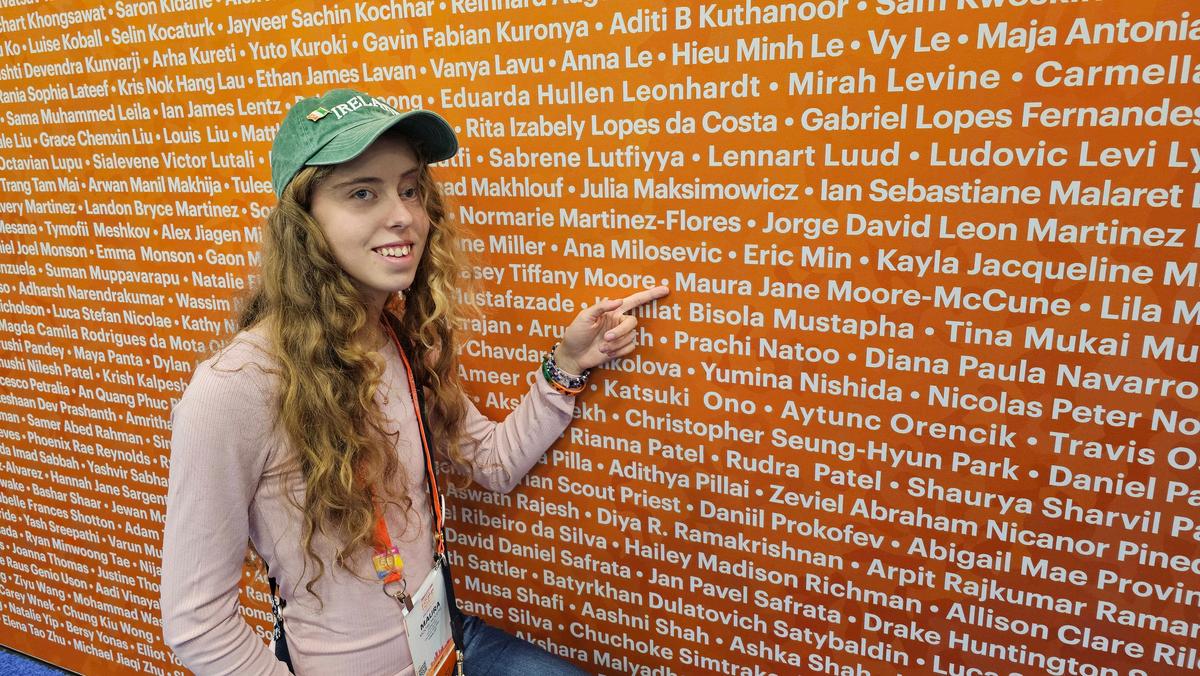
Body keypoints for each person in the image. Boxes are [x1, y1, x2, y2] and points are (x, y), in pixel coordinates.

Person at [160, 88, 669, 676]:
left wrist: (568, 364)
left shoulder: (397, 340)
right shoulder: (236, 386)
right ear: (303, 224)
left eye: (408, 189)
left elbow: (493, 462)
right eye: (362, 193)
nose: (402, 214)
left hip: (448, 642)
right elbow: (196, 623)